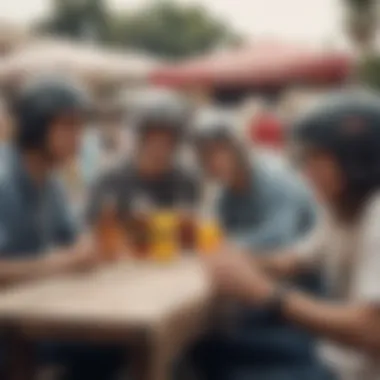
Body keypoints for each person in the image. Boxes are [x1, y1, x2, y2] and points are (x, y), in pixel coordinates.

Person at [206, 91, 380, 380]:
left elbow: (373, 329)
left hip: (353, 371)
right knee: (210, 347)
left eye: (315, 158)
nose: (305, 171)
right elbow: (293, 261)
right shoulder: (341, 211)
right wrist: (238, 260)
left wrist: (265, 293)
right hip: (335, 355)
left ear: (356, 160)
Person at [192, 118, 328, 380]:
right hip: (261, 296)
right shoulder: (225, 195)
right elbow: (219, 242)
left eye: (221, 150)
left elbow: (278, 241)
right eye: (205, 154)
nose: (213, 161)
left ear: (239, 150)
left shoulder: (276, 182)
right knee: (201, 344)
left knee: (208, 345)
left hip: (305, 305)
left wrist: (225, 249)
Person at [86, 90, 199, 226]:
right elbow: (92, 232)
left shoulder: (185, 181)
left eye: (168, 140)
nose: (160, 148)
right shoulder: (110, 181)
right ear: (139, 140)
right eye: (153, 139)